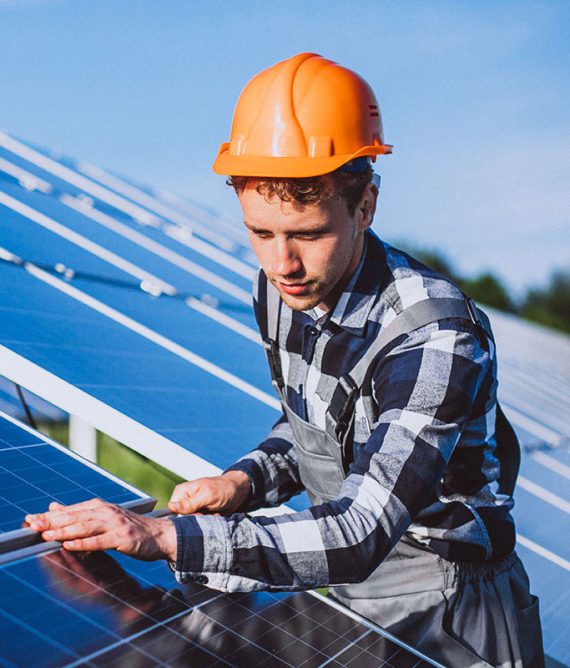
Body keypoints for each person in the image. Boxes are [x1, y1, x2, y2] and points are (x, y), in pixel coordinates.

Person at [26, 53, 544, 667]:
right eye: (261, 233)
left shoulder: (435, 334)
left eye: (307, 233)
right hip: (351, 589)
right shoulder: (277, 293)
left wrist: (165, 534)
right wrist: (243, 480)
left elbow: (361, 531)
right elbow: (316, 428)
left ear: (365, 206)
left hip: (451, 609)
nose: (283, 265)